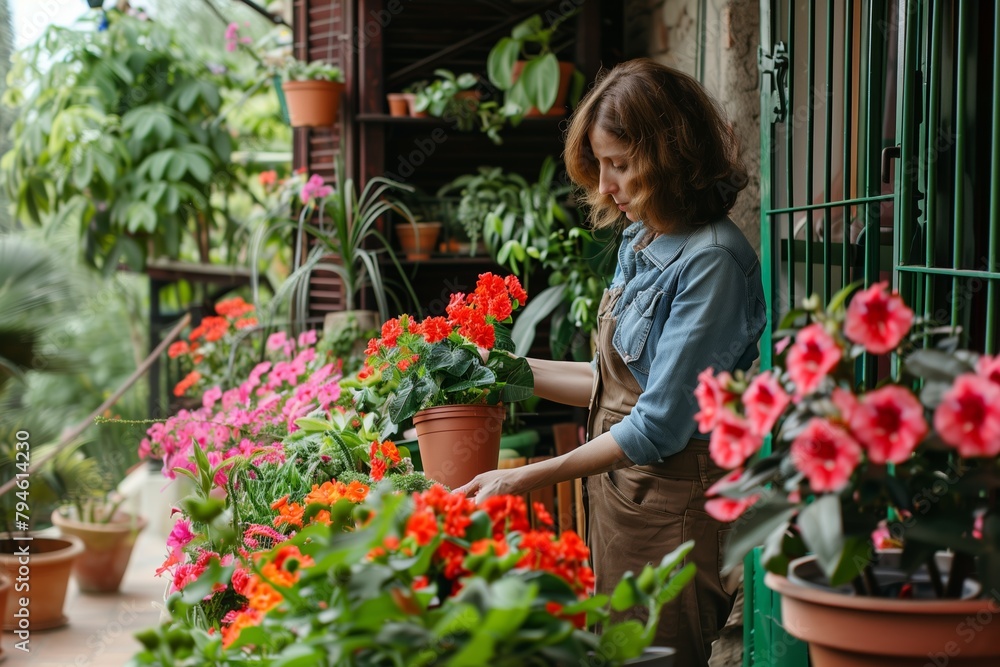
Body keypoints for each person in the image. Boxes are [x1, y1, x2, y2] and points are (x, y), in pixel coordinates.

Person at [455, 58, 766, 666]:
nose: (604, 186)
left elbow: (656, 424)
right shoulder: (642, 237)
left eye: (620, 165)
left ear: (670, 158)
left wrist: (525, 476)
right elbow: (612, 385)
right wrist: (495, 369)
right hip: (622, 492)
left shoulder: (712, 263)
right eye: (598, 164)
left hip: (673, 502)